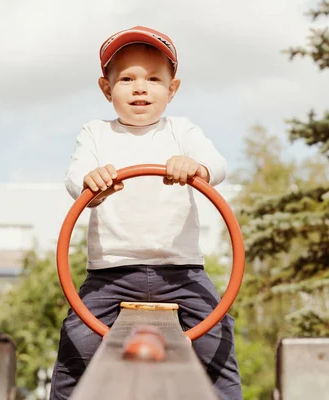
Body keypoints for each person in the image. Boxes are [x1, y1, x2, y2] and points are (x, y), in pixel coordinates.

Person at [50, 26, 242, 400]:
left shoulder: (181, 131)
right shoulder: (96, 133)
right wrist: (91, 181)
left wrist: (195, 167)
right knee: (77, 342)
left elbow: (216, 165)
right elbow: (75, 179)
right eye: (127, 79)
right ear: (107, 89)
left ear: (172, 90)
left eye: (154, 79)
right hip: (111, 273)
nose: (141, 88)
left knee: (217, 339)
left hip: (182, 270)